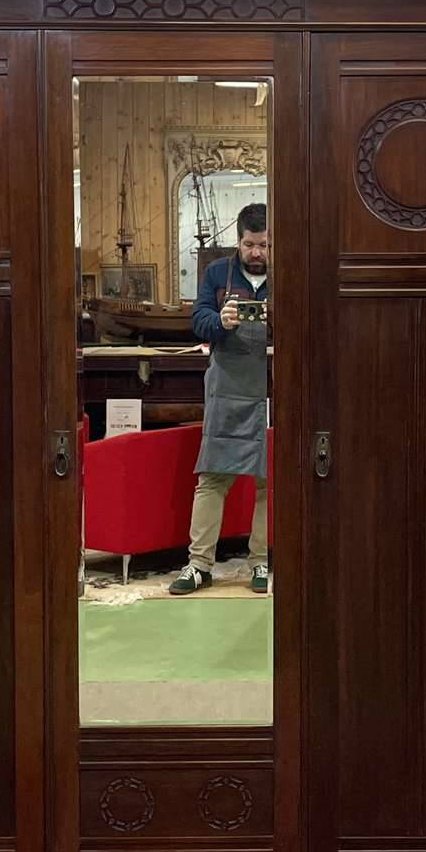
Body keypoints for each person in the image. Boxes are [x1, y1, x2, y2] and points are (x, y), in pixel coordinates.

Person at [170, 203, 270, 596]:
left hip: (271, 387)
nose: (257, 253)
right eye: (250, 245)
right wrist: (220, 322)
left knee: (268, 480)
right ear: (239, 241)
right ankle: (199, 565)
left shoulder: (290, 271)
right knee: (212, 477)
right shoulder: (216, 273)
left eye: (263, 245)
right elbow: (198, 320)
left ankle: (260, 560)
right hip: (226, 386)